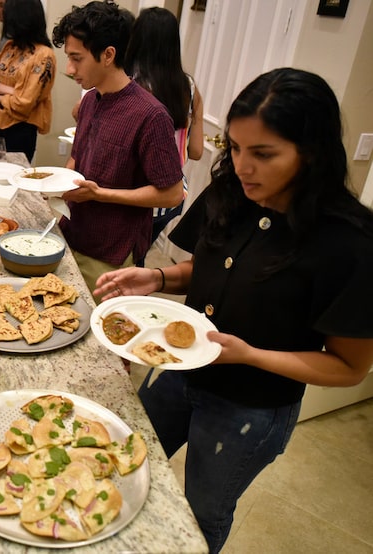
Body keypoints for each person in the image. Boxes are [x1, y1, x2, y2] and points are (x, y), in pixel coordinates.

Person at [94, 68, 373, 553]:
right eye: (236, 149)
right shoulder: (233, 191)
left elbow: (350, 367)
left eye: (263, 154)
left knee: (202, 512)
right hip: (181, 375)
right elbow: (203, 270)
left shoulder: (349, 242)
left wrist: (249, 355)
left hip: (251, 408)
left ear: (312, 152)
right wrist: (158, 278)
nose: (244, 166)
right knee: (123, 460)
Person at [51, 1, 184, 293]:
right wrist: (59, 186)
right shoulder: (89, 100)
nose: (70, 68)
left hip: (111, 251)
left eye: (77, 58)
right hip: (71, 233)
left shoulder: (150, 115)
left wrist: (100, 194)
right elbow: (78, 156)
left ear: (108, 54)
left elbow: (173, 193)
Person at [125, 6, 205, 249]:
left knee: (123, 258)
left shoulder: (130, 85)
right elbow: (196, 151)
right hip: (172, 197)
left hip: (134, 194)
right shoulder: (189, 87)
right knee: (138, 255)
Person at [0, 0, 55, 162]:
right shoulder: (9, 47)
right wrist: (10, 91)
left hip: (19, 131)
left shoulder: (44, 55)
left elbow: (23, 103)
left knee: (13, 180)